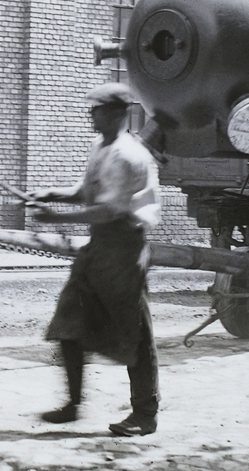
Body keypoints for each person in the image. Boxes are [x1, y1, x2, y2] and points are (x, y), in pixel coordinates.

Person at [31, 83, 161, 437]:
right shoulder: (99, 146)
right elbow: (87, 193)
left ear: (118, 114)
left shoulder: (128, 155)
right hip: (99, 248)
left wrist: (55, 218)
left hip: (123, 249)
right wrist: (51, 194)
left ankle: (145, 414)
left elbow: (109, 210)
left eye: (98, 109)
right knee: (68, 321)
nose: (92, 115)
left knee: (134, 333)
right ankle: (73, 405)